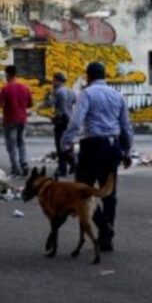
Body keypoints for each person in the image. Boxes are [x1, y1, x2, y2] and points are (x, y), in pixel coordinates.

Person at [62, 62, 134, 252]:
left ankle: (103, 226)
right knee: (109, 193)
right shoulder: (117, 95)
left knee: (83, 191)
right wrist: (127, 151)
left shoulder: (87, 94)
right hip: (113, 146)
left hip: (93, 145)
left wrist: (66, 144)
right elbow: (126, 127)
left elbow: (76, 122)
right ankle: (106, 238)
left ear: (89, 76)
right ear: (104, 75)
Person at [0, 66, 32, 176]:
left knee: (11, 145)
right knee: (21, 142)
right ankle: (24, 163)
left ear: (7, 75)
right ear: (15, 74)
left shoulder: (5, 89)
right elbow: (30, 104)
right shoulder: (25, 88)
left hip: (10, 120)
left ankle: (15, 168)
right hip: (22, 119)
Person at [42, 72, 76, 176]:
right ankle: (72, 163)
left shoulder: (57, 92)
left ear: (57, 80)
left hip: (61, 120)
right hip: (69, 119)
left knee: (59, 144)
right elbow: (74, 101)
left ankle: (64, 168)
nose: (52, 82)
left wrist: (46, 98)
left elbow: (49, 104)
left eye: (53, 80)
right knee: (67, 144)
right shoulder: (71, 91)